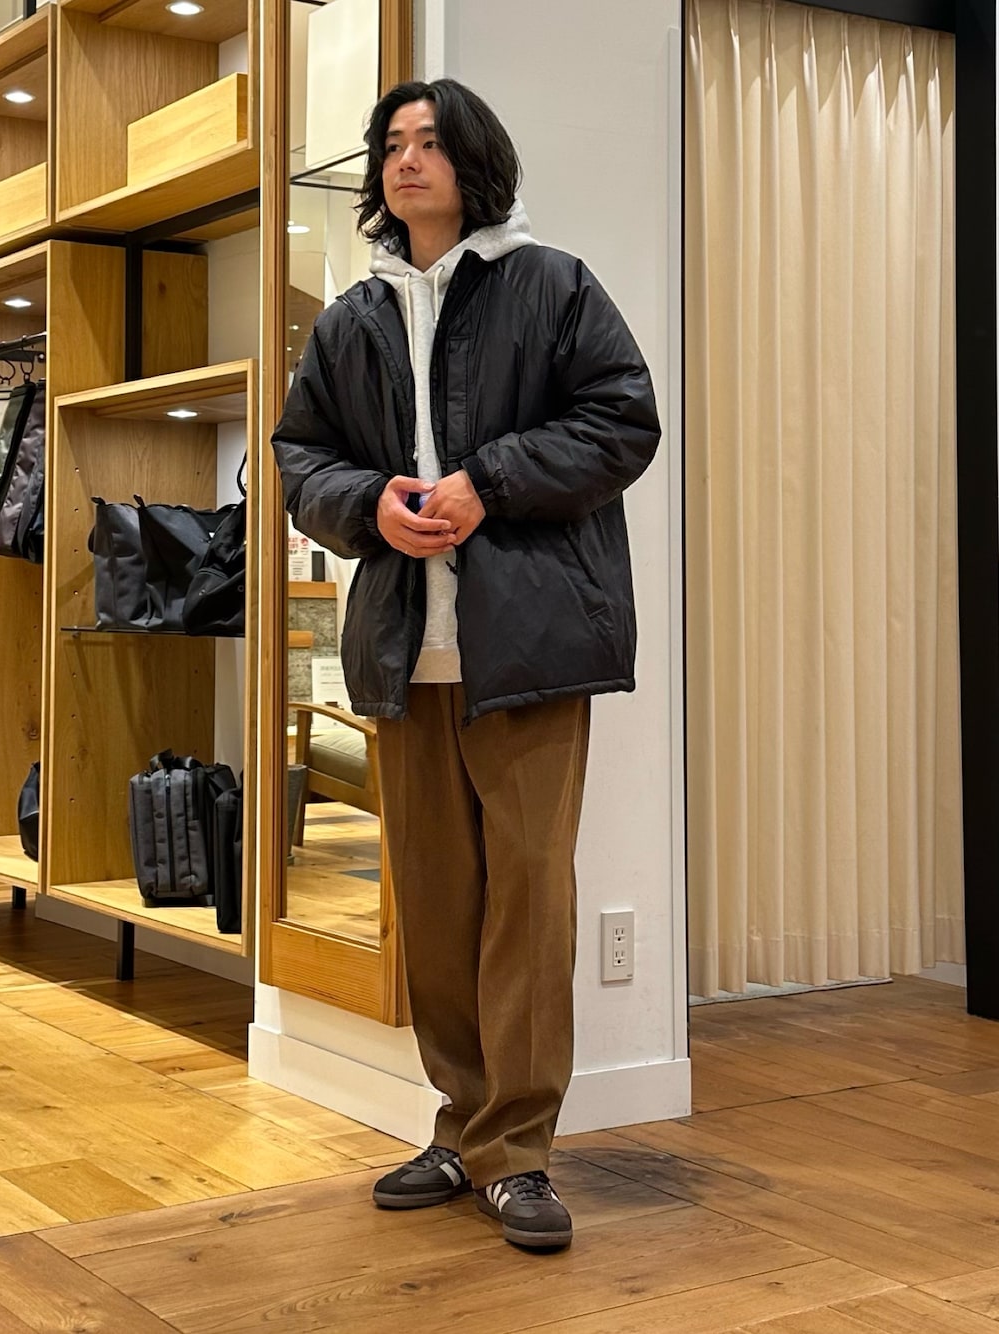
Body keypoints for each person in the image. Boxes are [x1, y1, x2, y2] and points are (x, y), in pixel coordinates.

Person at [271, 77, 660, 1251]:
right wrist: (367, 506)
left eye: (430, 141)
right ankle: (462, 1125)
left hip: (530, 649)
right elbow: (299, 457)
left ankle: (518, 1149)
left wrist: (488, 481)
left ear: (473, 159)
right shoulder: (351, 318)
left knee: (526, 901)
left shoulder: (552, 285)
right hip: (405, 651)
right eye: (391, 143)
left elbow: (622, 419)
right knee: (437, 904)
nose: (406, 159)